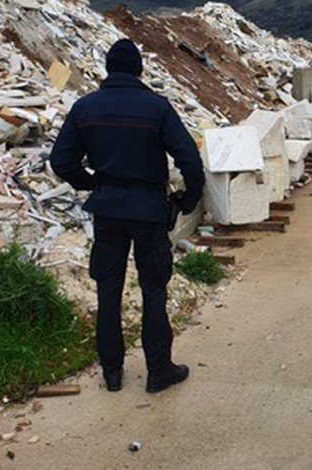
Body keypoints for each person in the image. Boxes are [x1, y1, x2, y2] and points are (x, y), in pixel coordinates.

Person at [50, 39, 205, 393]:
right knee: (153, 289)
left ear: (108, 69)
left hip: (107, 210)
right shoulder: (157, 107)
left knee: (108, 290)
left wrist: (92, 184)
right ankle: (158, 371)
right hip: (149, 210)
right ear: (139, 70)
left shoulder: (85, 108)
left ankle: (113, 372)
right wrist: (187, 199)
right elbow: (190, 160)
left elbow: (61, 161)